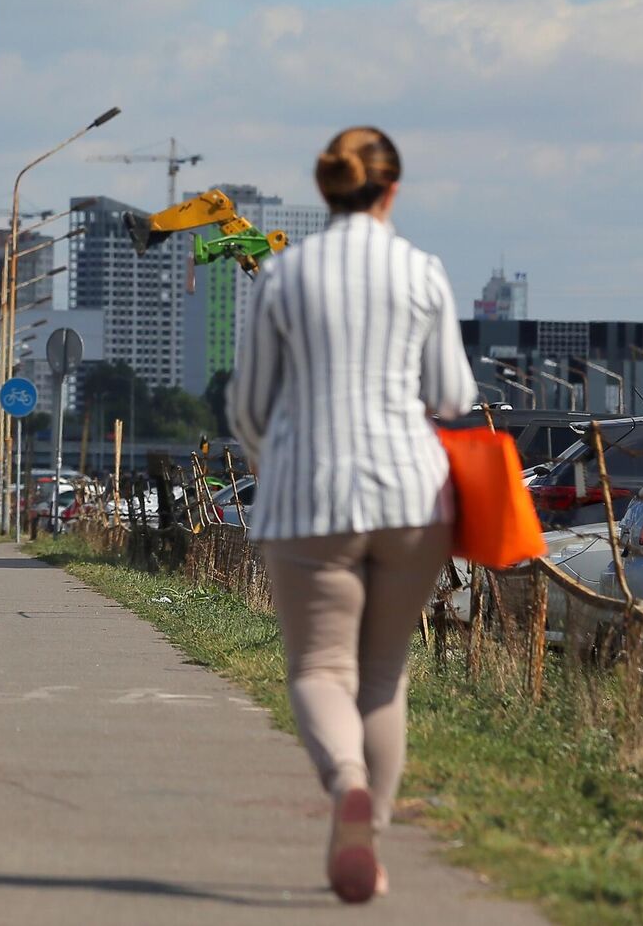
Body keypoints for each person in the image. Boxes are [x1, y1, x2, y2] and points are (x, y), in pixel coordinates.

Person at [228, 127, 476, 905]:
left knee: (318, 669)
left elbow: (248, 408)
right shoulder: (423, 272)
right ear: (391, 189)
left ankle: (346, 786)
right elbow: (452, 398)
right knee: (382, 672)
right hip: (413, 497)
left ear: (325, 189)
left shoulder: (283, 276)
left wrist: (278, 462)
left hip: (309, 496)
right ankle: (373, 829)